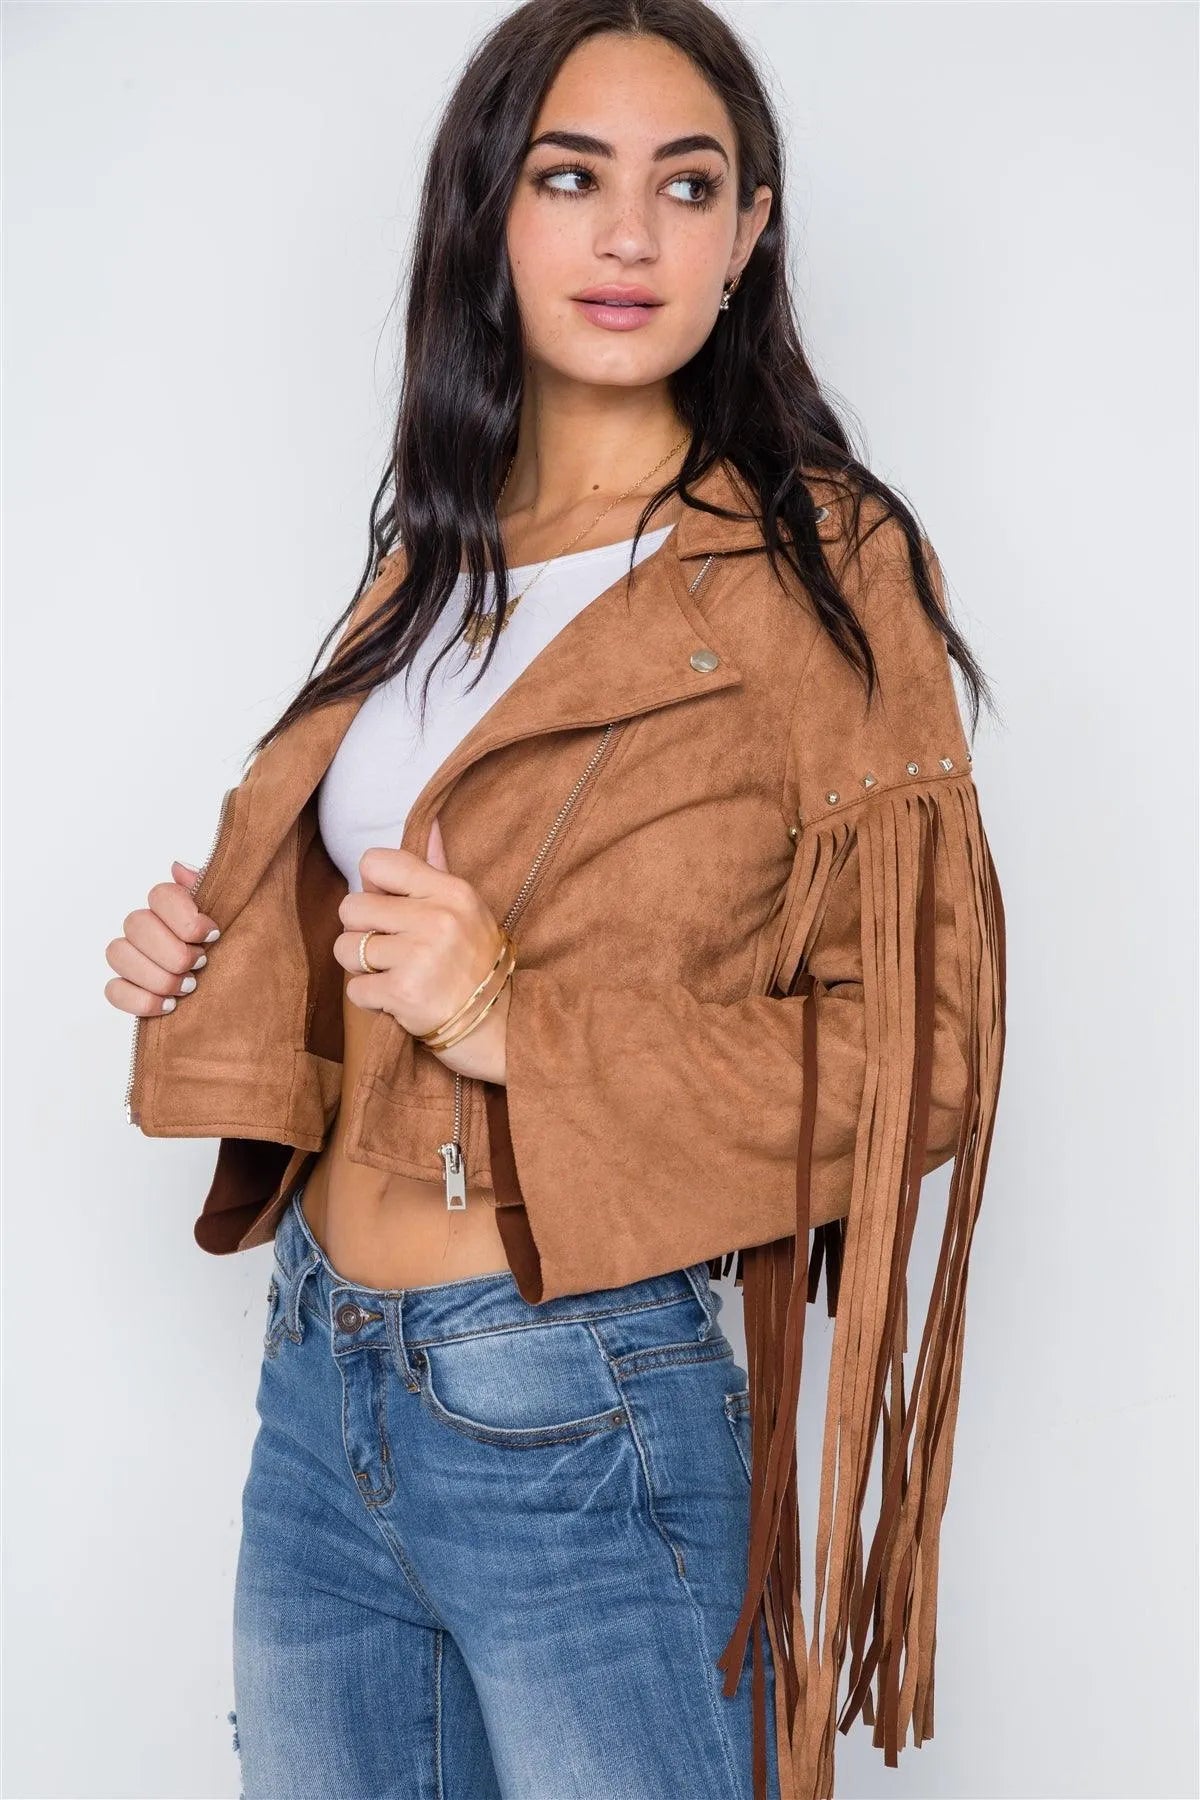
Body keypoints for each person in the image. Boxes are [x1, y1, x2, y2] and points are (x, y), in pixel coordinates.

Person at [103, 5, 1007, 1797]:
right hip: (320, 1378)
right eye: (571, 177)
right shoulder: (429, 554)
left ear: (749, 235)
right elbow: (384, 912)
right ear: (490, 215)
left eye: (690, 185)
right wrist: (218, 957)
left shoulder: (820, 573)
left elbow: (931, 1057)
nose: (629, 235)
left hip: (579, 1402)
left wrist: (516, 1020)